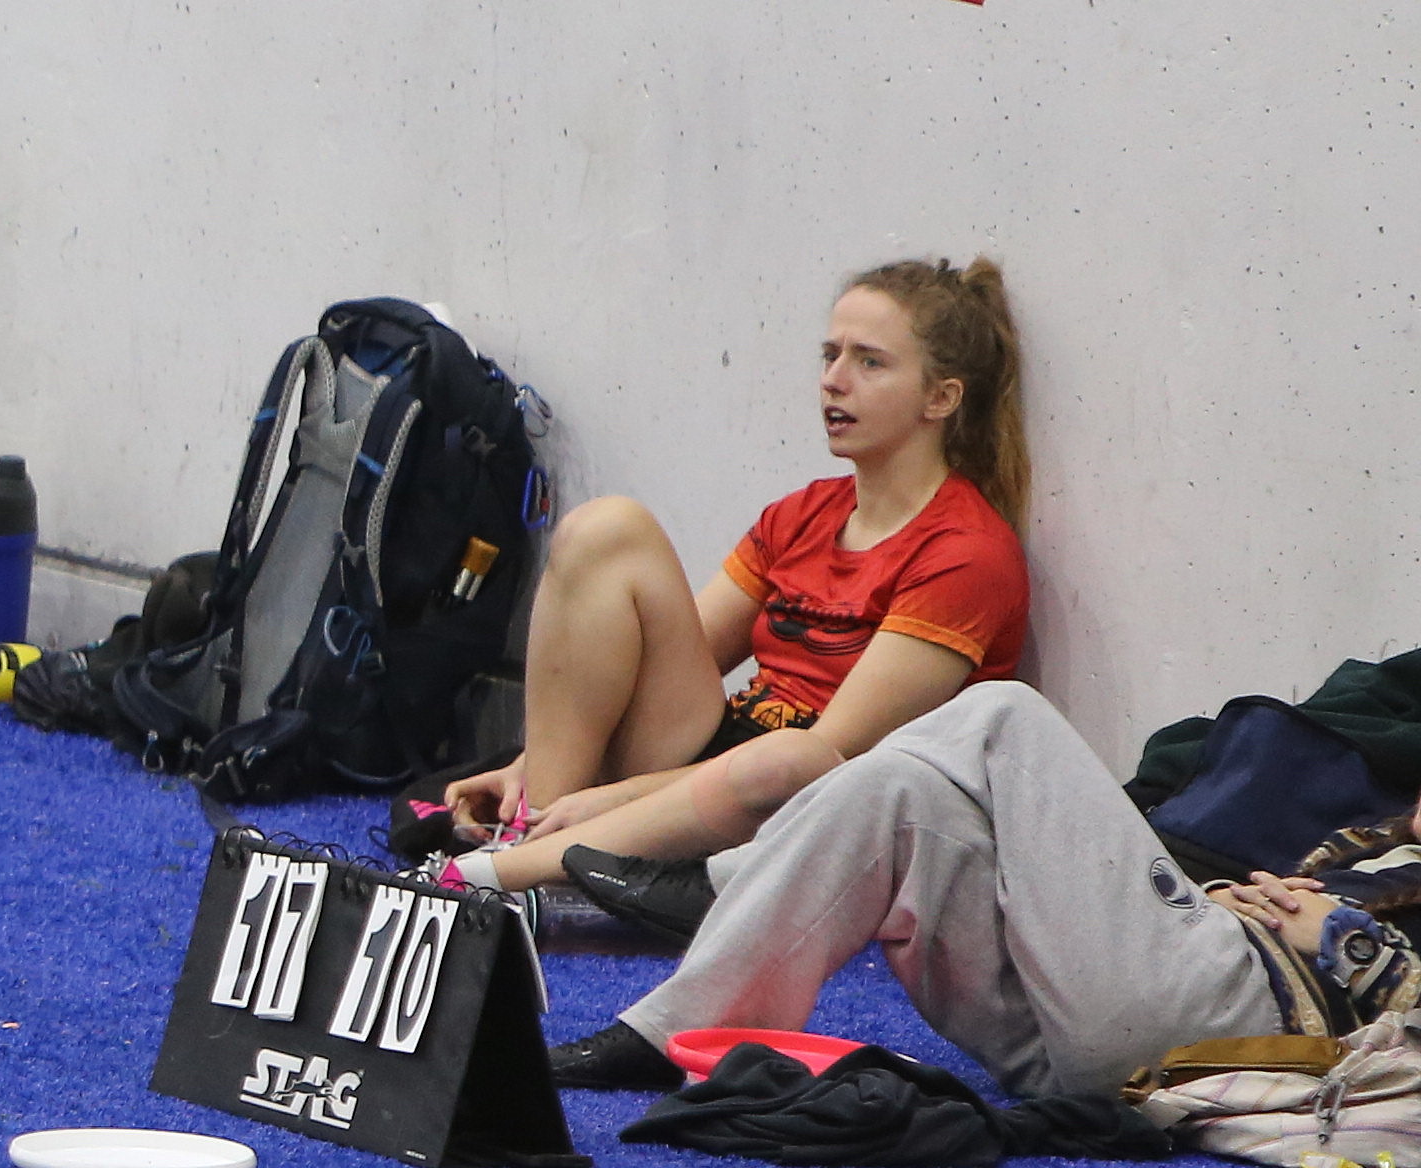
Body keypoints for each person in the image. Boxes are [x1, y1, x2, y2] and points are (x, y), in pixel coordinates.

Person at [420, 258, 1030, 927]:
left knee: (793, 759)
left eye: (870, 362)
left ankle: (502, 874)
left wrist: (619, 798)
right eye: (830, 354)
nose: (834, 379)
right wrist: (531, 764)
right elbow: (666, 658)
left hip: (819, 803)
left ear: (941, 399)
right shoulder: (803, 513)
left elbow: (838, 757)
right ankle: (534, 819)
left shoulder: (966, 552)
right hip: (723, 757)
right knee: (608, 530)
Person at [605, 680, 1404, 1099]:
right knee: (904, 790)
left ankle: (718, 886)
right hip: (1111, 1034)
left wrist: (1355, 947)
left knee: (1007, 712)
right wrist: (1223, 895)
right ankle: (671, 1037)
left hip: (1239, 1021)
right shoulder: (1385, 838)